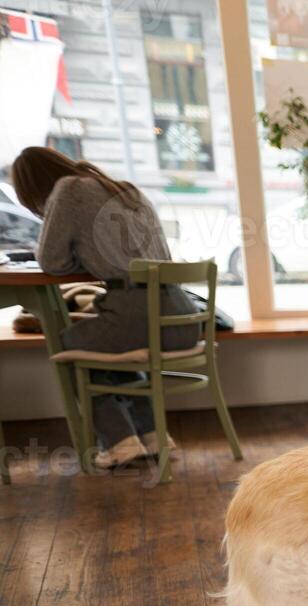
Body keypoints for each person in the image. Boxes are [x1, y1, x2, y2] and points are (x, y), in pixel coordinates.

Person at [10, 147, 200, 469]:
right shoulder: (123, 188)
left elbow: (51, 261)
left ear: (32, 186)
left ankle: (118, 442)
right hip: (182, 316)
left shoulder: (67, 189)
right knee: (103, 349)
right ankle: (152, 436)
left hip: (136, 313)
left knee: (66, 343)